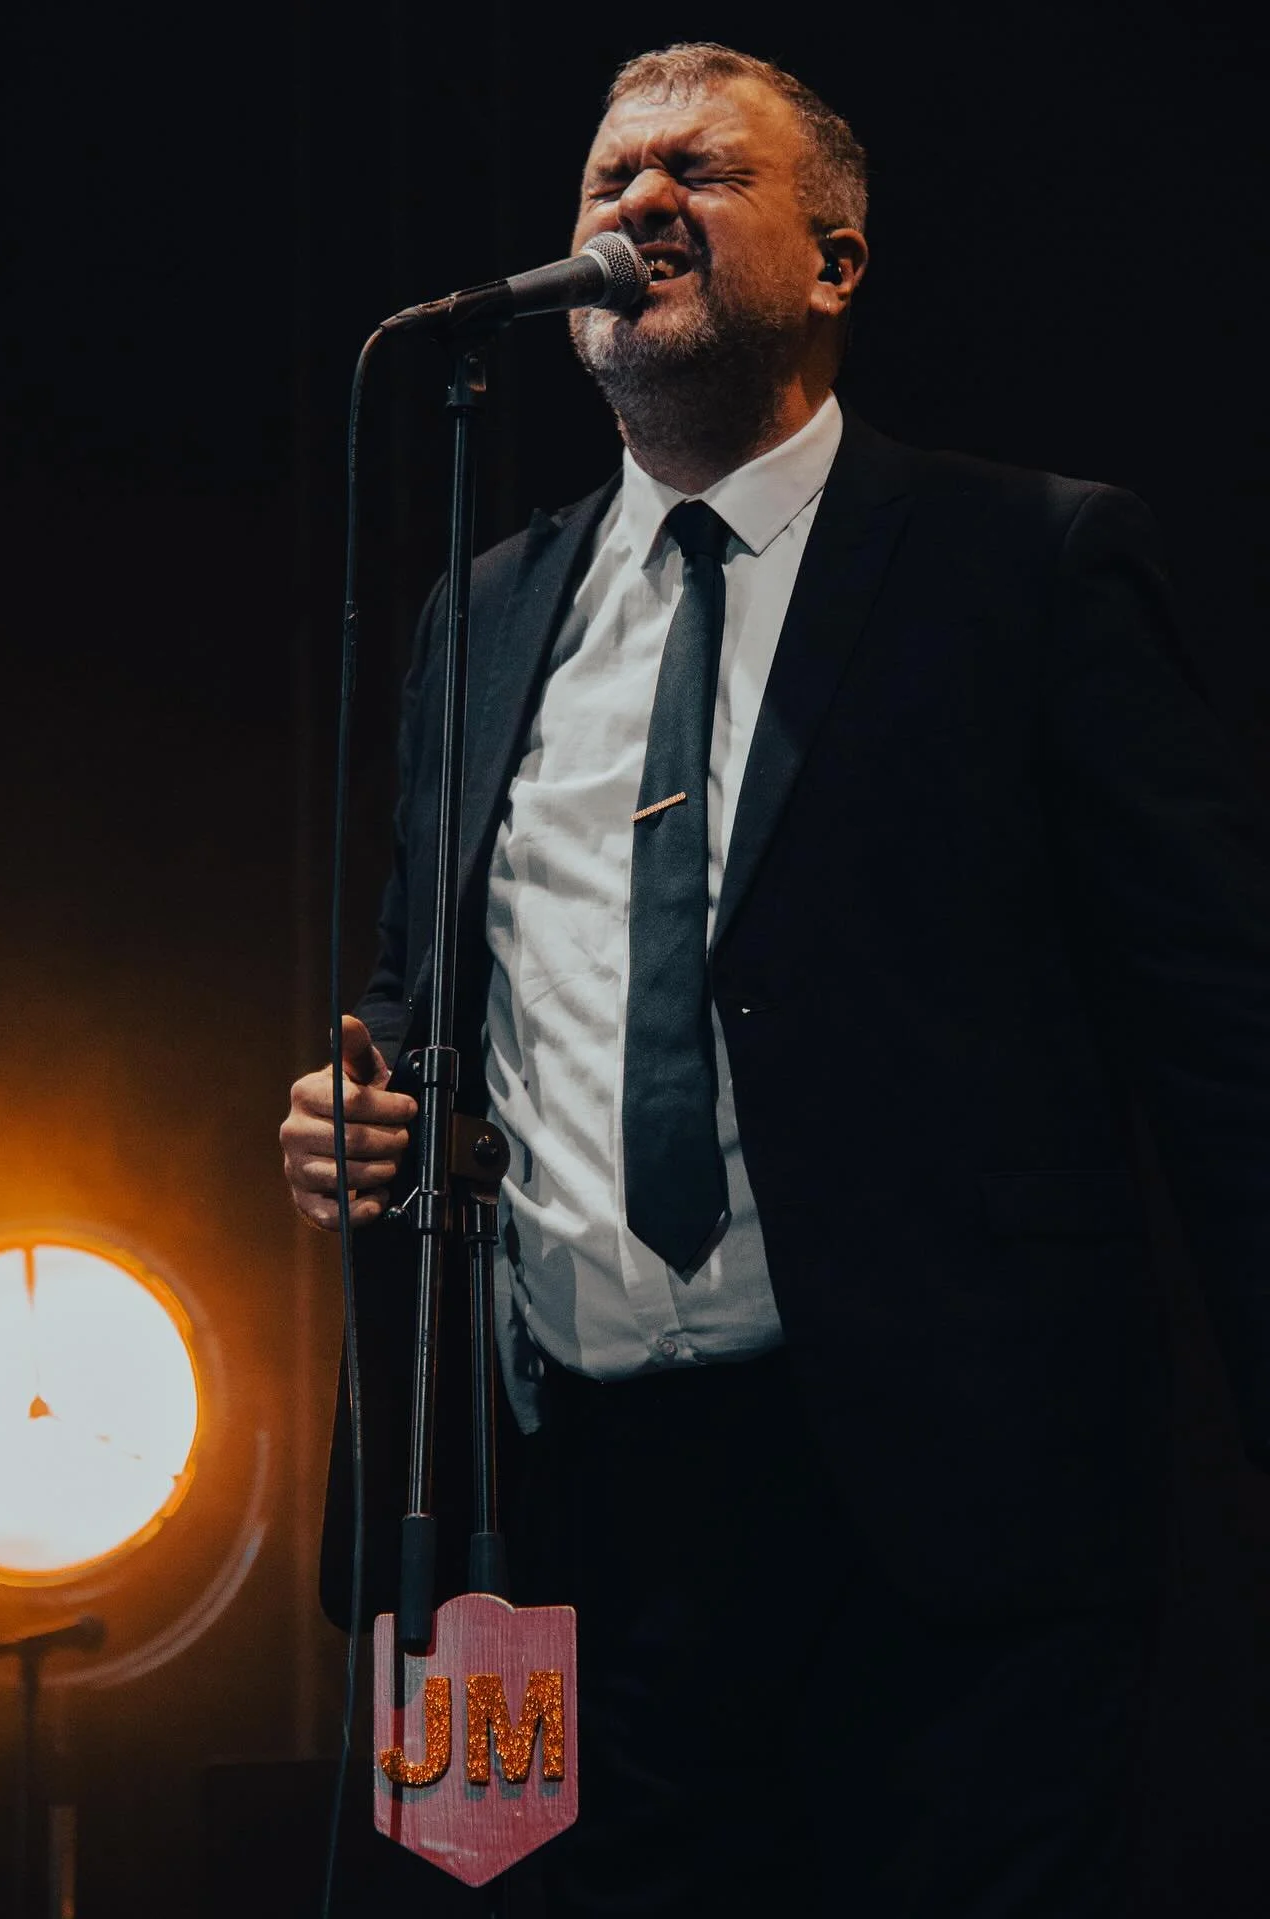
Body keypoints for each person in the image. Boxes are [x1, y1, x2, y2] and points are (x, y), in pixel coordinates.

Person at [281, 41, 1270, 1918]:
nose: (637, 201)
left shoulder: (1028, 562)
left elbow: (1223, 1034)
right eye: (607, 176)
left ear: (835, 261)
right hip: (566, 1509)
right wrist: (372, 1104)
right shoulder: (484, 610)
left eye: (699, 173)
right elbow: (426, 987)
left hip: (940, 1507)